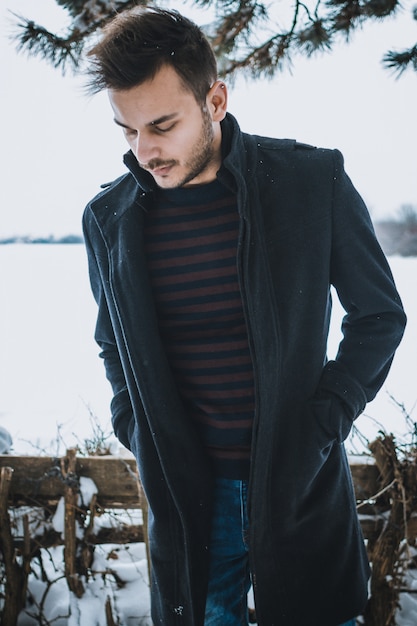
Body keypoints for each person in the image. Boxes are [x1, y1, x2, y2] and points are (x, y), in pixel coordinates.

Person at [82, 7, 406, 626]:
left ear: (216, 99)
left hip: (298, 480)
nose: (145, 151)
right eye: (127, 131)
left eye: (162, 125)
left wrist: (324, 421)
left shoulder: (311, 181)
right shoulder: (109, 221)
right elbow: (111, 344)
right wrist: (137, 428)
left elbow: (379, 316)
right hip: (188, 500)